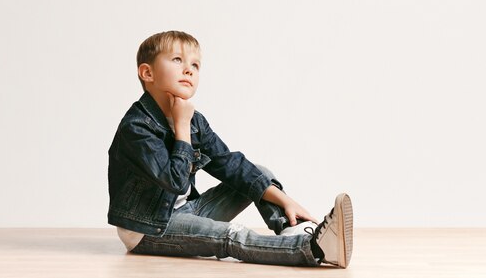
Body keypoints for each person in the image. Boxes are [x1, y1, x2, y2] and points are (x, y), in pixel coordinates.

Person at [107, 30, 353, 267]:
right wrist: (182, 128)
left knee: (258, 172)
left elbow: (228, 164)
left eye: (195, 65)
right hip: (148, 227)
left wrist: (284, 199)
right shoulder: (137, 128)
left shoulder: (194, 121)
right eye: (177, 60)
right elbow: (175, 182)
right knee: (230, 235)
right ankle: (314, 248)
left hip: (186, 211)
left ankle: (296, 229)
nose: (188, 70)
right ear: (147, 73)